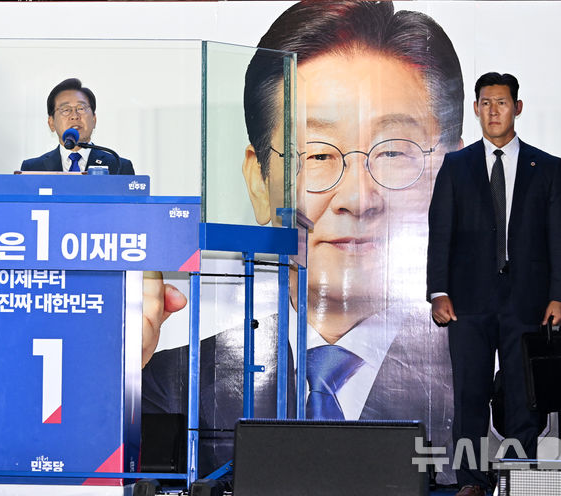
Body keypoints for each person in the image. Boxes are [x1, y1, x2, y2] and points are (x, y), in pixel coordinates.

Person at [143, 0, 465, 480]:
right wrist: (110, 369)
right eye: (316, 155)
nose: (358, 198)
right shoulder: (170, 385)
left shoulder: (502, 388)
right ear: (259, 181)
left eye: (394, 152)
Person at [427, 72, 561, 496]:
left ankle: (518, 477)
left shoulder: (547, 168)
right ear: (475, 109)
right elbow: (441, 232)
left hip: (529, 302)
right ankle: (472, 482)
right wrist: (438, 291)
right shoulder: (456, 166)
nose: (494, 111)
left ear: (517, 108)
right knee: (470, 395)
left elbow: (560, 238)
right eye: (486, 103)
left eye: (502, 102)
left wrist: (559, 296)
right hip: (468, 302)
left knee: (523, 398)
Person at [21, 78, 134, 174]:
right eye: (66, 110)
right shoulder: (33, 169)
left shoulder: (119, 166)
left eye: (81, 108)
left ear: (94, 119)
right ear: (51, 123)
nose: (75, 116)